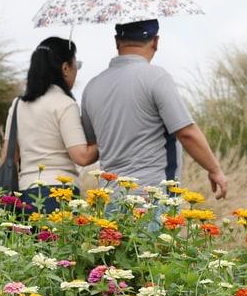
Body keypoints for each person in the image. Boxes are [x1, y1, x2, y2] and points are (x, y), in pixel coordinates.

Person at [80, 20, 227, 209]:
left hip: (109, 198)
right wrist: (215, 169)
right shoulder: (156, 77)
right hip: (152, 196)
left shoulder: (92, 87)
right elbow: (186, 133)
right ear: (155, 41)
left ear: (117, 41)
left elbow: (93, 144)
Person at [10, 37, 97, 213]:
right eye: (76, 65)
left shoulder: (18, 104)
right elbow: (82, 157)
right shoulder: (64, 104)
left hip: (24, 192)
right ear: (65, 68)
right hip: (58, 192)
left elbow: (10, 156)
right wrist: (105, 141)